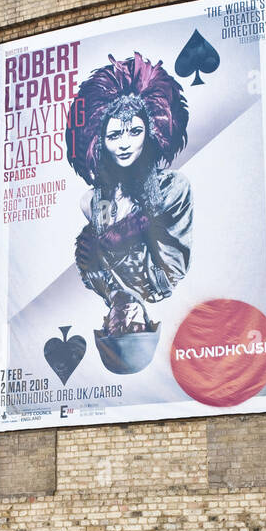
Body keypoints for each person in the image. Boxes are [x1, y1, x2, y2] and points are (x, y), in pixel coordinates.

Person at [66, 53, 193, 341]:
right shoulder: (92, 202)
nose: (124, 144)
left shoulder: (172, 188)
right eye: (114, 136)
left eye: (134, 132)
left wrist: (114, 240)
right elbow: (167, 271)